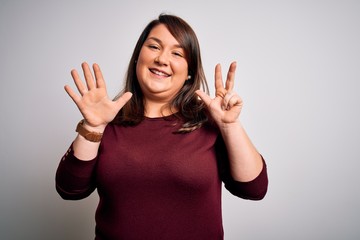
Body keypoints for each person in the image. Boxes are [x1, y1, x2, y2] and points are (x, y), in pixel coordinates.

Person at [56, 14, 268, 240]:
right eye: (154, 46)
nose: (162, 59)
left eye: (177, 53)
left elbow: (254, 189)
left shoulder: (208, 122)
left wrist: (230, 125)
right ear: (138, 57)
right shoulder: (108, 119)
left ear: (189, 72)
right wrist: (93, 126)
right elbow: (69, 189)